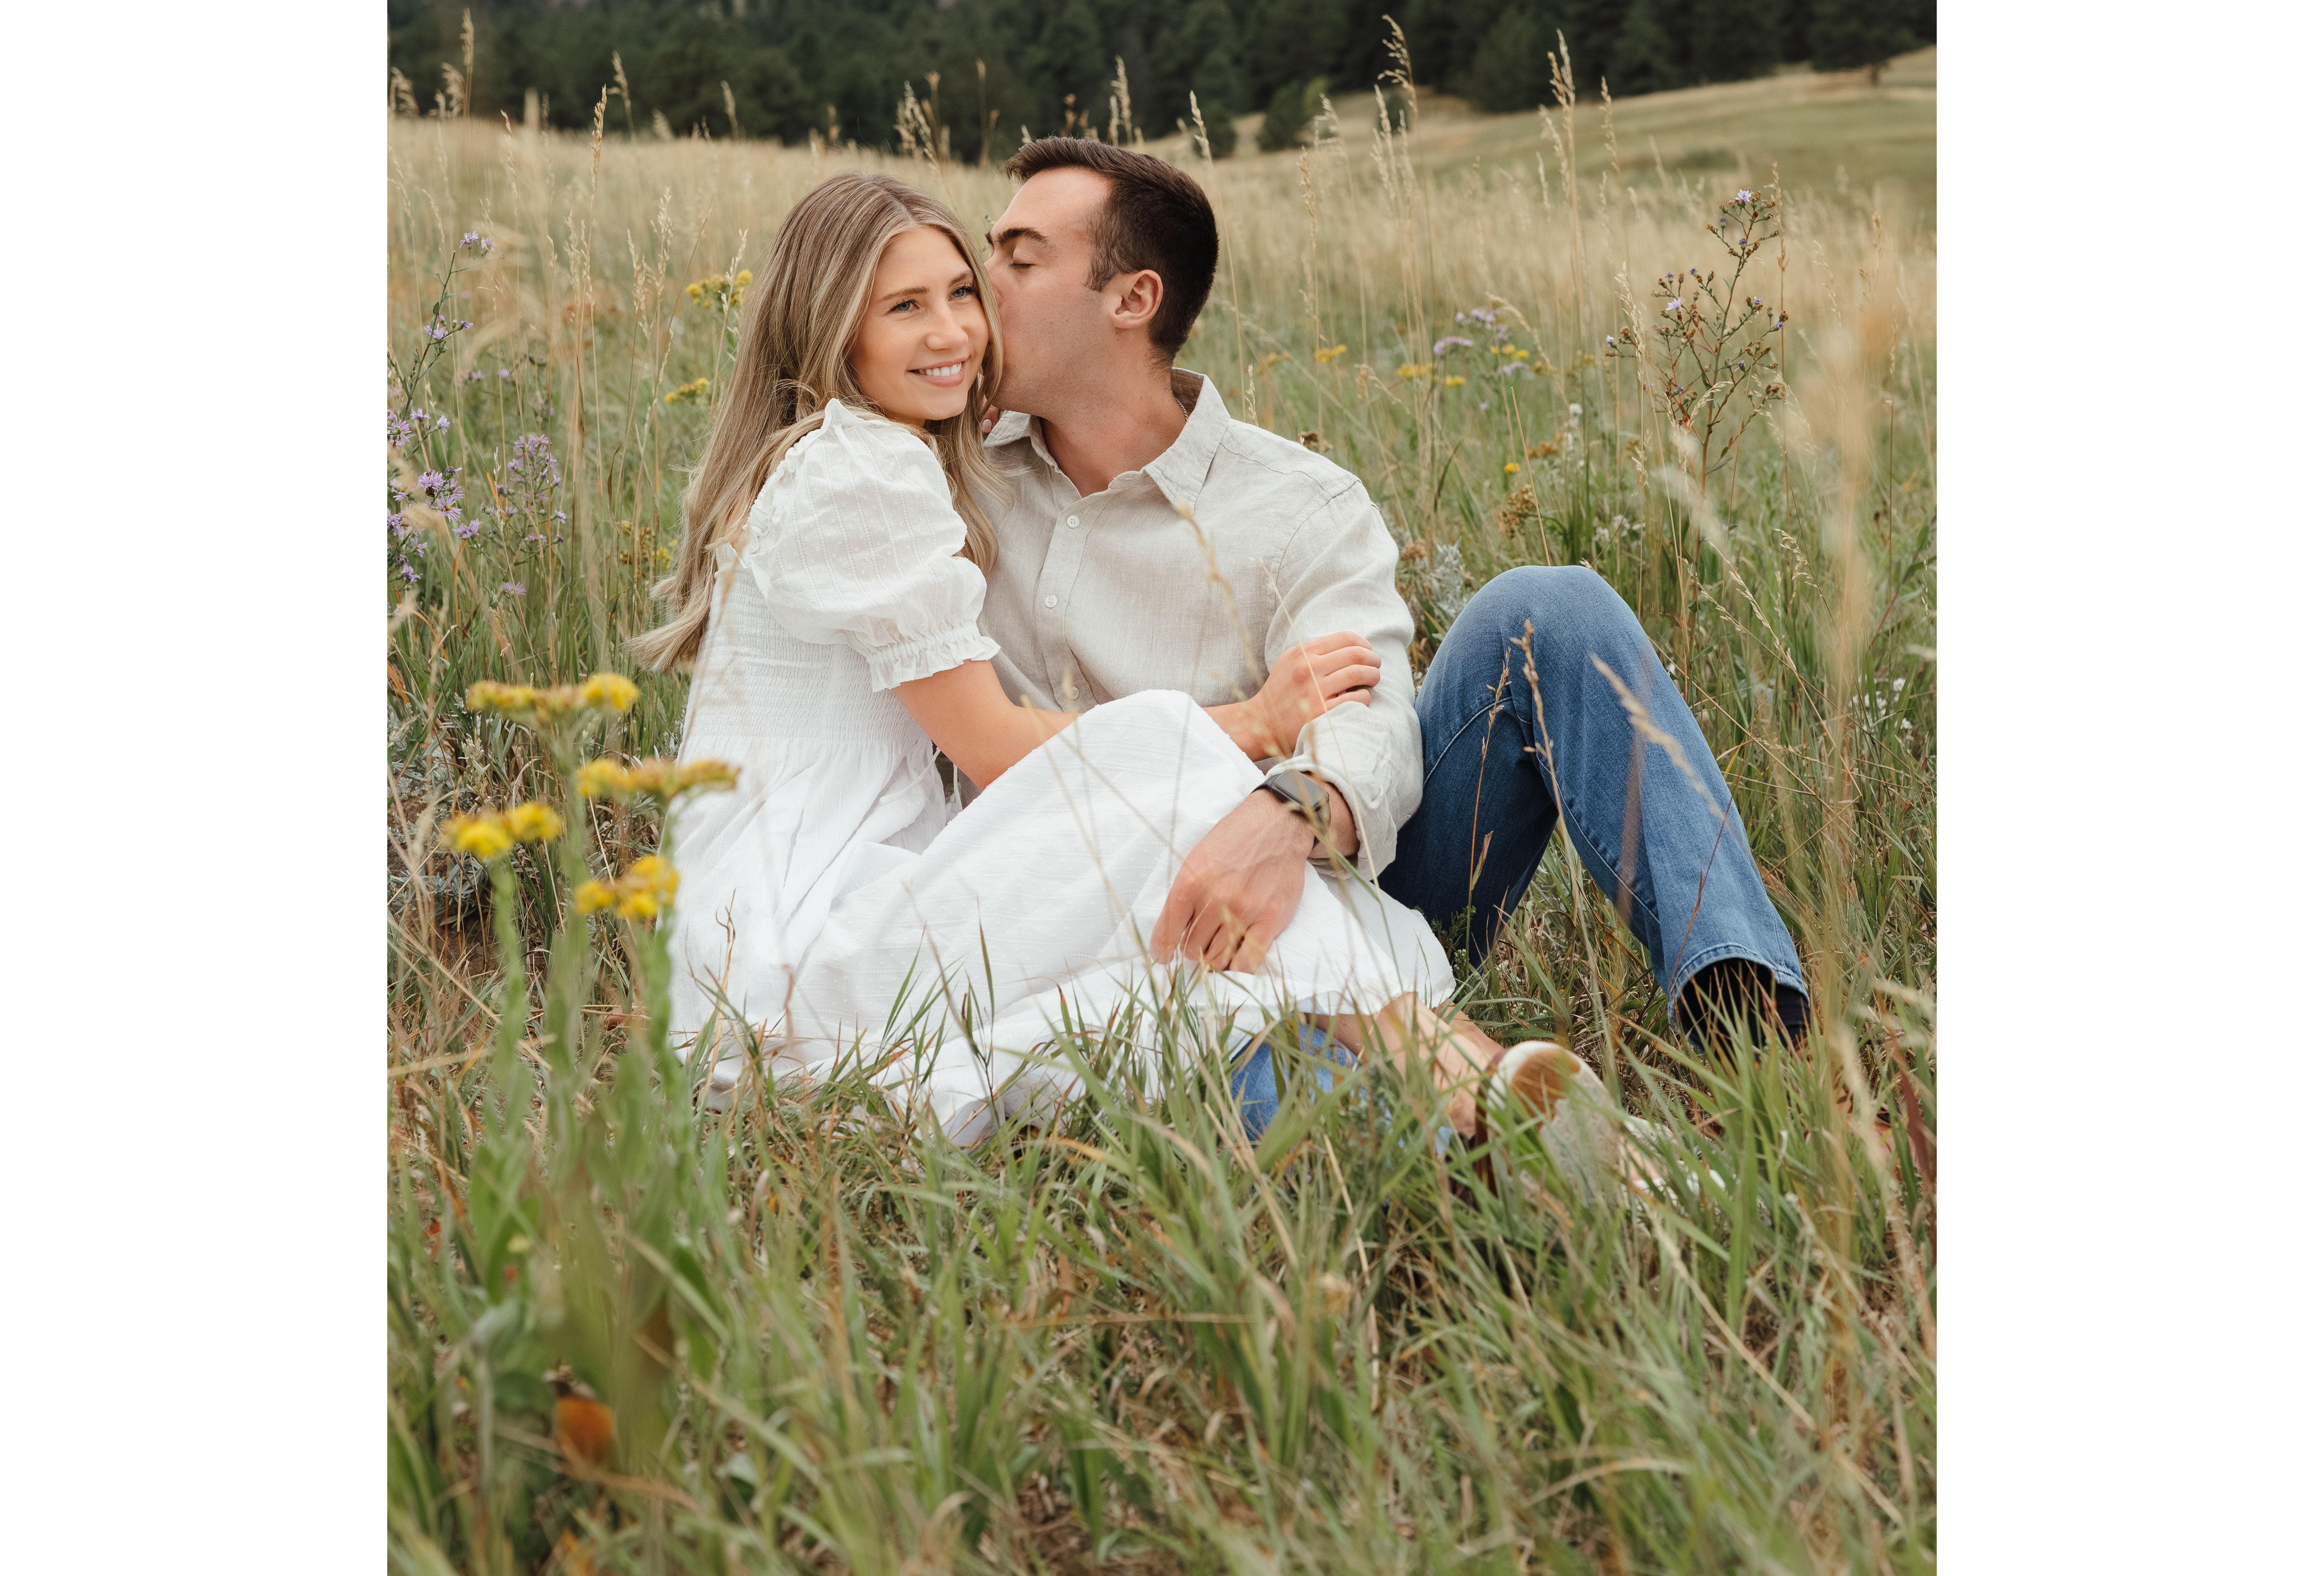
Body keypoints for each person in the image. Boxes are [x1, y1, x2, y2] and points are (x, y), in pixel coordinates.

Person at [633, 171, 1590, 1162]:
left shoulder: (864, 460)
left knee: (1185, 963)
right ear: (833, 330)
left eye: (962, 292)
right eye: (905, 307)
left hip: (828, 917)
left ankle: (1498, 1130)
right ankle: (1458, 1064)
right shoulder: (859, 471)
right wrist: (1254, 725)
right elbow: (997, 750)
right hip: (799, 941)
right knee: (1169, 772)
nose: (956, 328)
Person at [972, 139, 1808, 1132]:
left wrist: (1290, 813)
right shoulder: (944, 481)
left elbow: (1364, 713)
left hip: (1326, 888)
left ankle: (1755, 1042)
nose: (980, 285)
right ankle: (1494, 1132)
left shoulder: (1295, 503)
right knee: (1278, 1067)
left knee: (1552, 608)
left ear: (1132, 298)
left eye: (1019, 259)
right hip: (1100, 939)